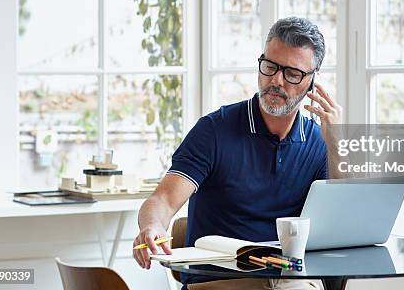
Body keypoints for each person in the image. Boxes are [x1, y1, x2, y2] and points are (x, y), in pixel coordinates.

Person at [133, 17, 343, 289]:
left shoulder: (318, 141)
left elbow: (339, 227)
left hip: (289, 279)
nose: (276, 81)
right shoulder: (214, 130)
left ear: (312, 82)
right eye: (269, 66)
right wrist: (152, 227)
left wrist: (337, 145)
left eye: (292, 73)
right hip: (220, 281)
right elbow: (163, 198)